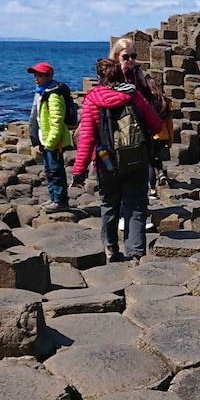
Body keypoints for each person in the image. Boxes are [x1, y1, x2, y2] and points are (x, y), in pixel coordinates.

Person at [71, 59, 162, 263]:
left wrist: (79, 171)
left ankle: (111, 248)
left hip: (106, 162)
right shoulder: (134, 94)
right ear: (120, 75)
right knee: (136, 206)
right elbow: (156, 126)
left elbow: (86, 138)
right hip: (136, 160)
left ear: (99, 77)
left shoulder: (92, 99)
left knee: (109, 205)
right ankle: (136, 254)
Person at [111, 37, 173, 196]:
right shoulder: (112, 77)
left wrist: (143, 84)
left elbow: (147, 102)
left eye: (133, 56)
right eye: (126, 57)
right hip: (119, 127)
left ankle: (143, 196)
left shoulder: (137, 75)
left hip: (139, 126)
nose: (130, 60)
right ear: (117, 56)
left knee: (141, 164)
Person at [27, 62, 72, 213]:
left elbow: (56, 121)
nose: (36, 78)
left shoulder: (53, 95)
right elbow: (39, 119)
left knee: (56, 171)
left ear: (49, 76)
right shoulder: (41, 93)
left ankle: (60, 201)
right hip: (45, 139)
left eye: (40, 75)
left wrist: (51, 142)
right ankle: (53, 198)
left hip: (54, 142)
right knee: (49, 170)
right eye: (35, 75)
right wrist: (38, 140)